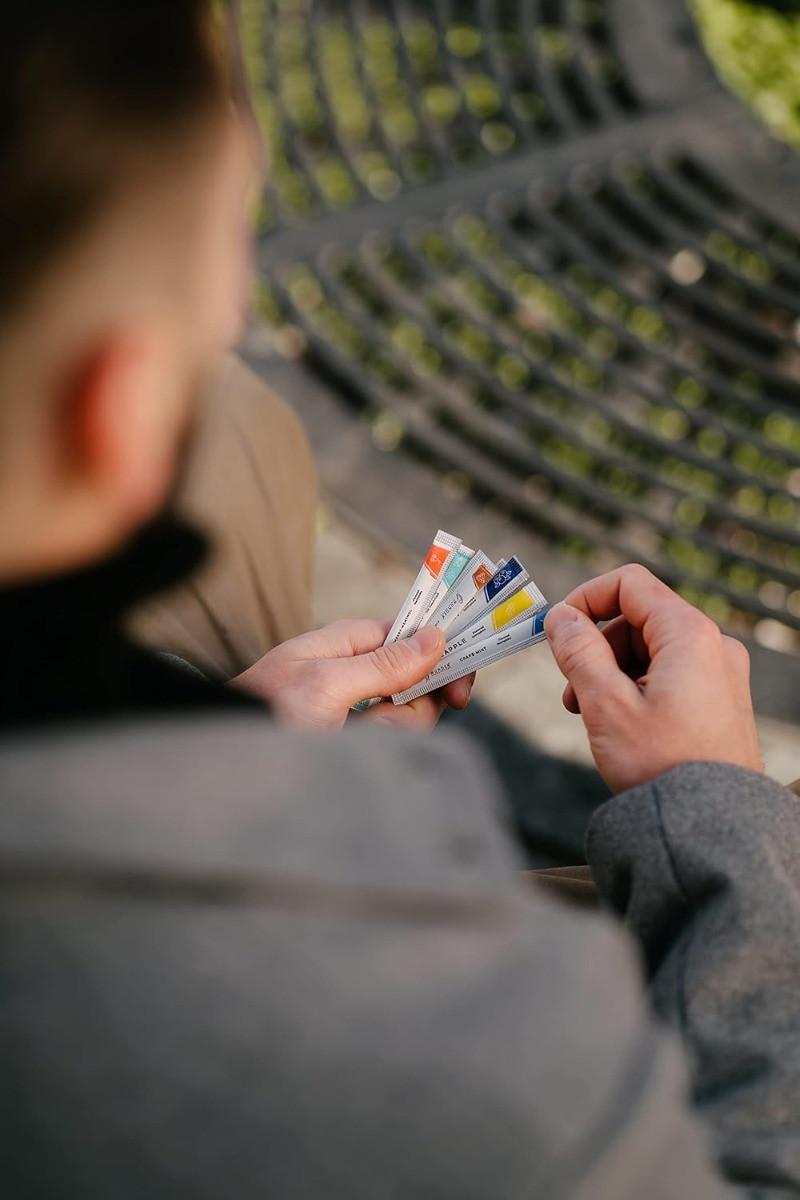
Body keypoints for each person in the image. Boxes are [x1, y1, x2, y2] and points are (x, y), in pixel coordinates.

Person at [1, 4, 798, 1197]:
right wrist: (719, 828)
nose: (226, 325)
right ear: (113, 411)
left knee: (233, 438)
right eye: (216, 282)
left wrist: (220, 744)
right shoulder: (417, 1058)